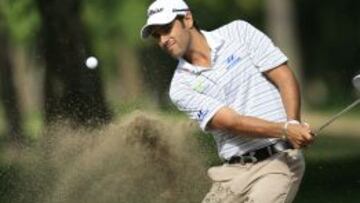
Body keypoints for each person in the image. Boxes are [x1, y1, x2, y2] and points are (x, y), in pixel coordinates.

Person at [140, 0, 314, 202]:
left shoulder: (239, 32)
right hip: (231, 173)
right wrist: (285, 129)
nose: (163, 39)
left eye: (167, 29)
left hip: (278, 161)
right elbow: (231, 122)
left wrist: (292, 123)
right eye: (157, 35)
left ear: (187, 19)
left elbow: (283, 76)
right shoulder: (180, 87)